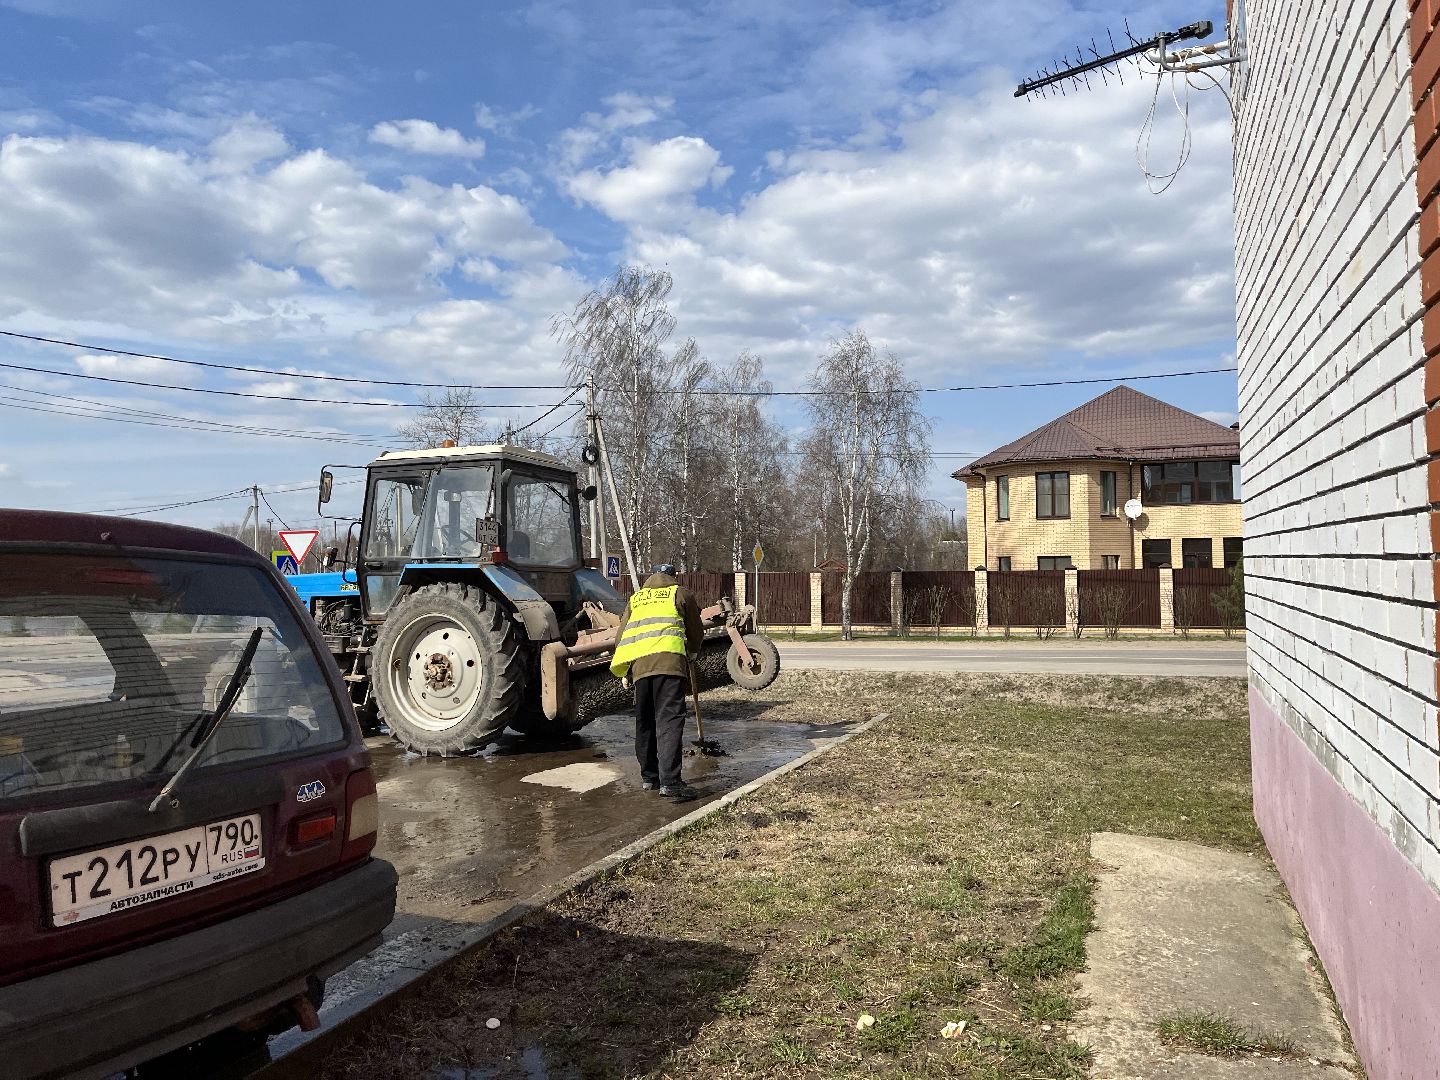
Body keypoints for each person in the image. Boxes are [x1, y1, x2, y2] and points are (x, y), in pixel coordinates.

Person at [610, 563, 705, 800]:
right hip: (670, 665)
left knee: (645, 721)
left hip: (640, 668)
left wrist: (627, 669)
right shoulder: (680, 593)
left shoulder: (637, 599)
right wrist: (692, 652)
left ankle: (649, 777)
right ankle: (671, 783)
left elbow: (621, 637)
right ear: (672, 577)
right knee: (669, 721)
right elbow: (696, 630)